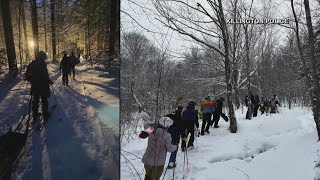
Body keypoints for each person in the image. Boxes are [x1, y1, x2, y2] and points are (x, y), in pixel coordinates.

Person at [25, 51, 53, 121]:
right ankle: (45, 114)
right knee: (44, 100)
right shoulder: (42, 64)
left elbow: (27, 75)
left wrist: (31, 80)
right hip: (43, 86)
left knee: (35, 100)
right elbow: (44, 76)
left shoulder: (32, 64)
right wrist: (48, 81)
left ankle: (35, 115)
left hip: (35, 86)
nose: (44, 59)